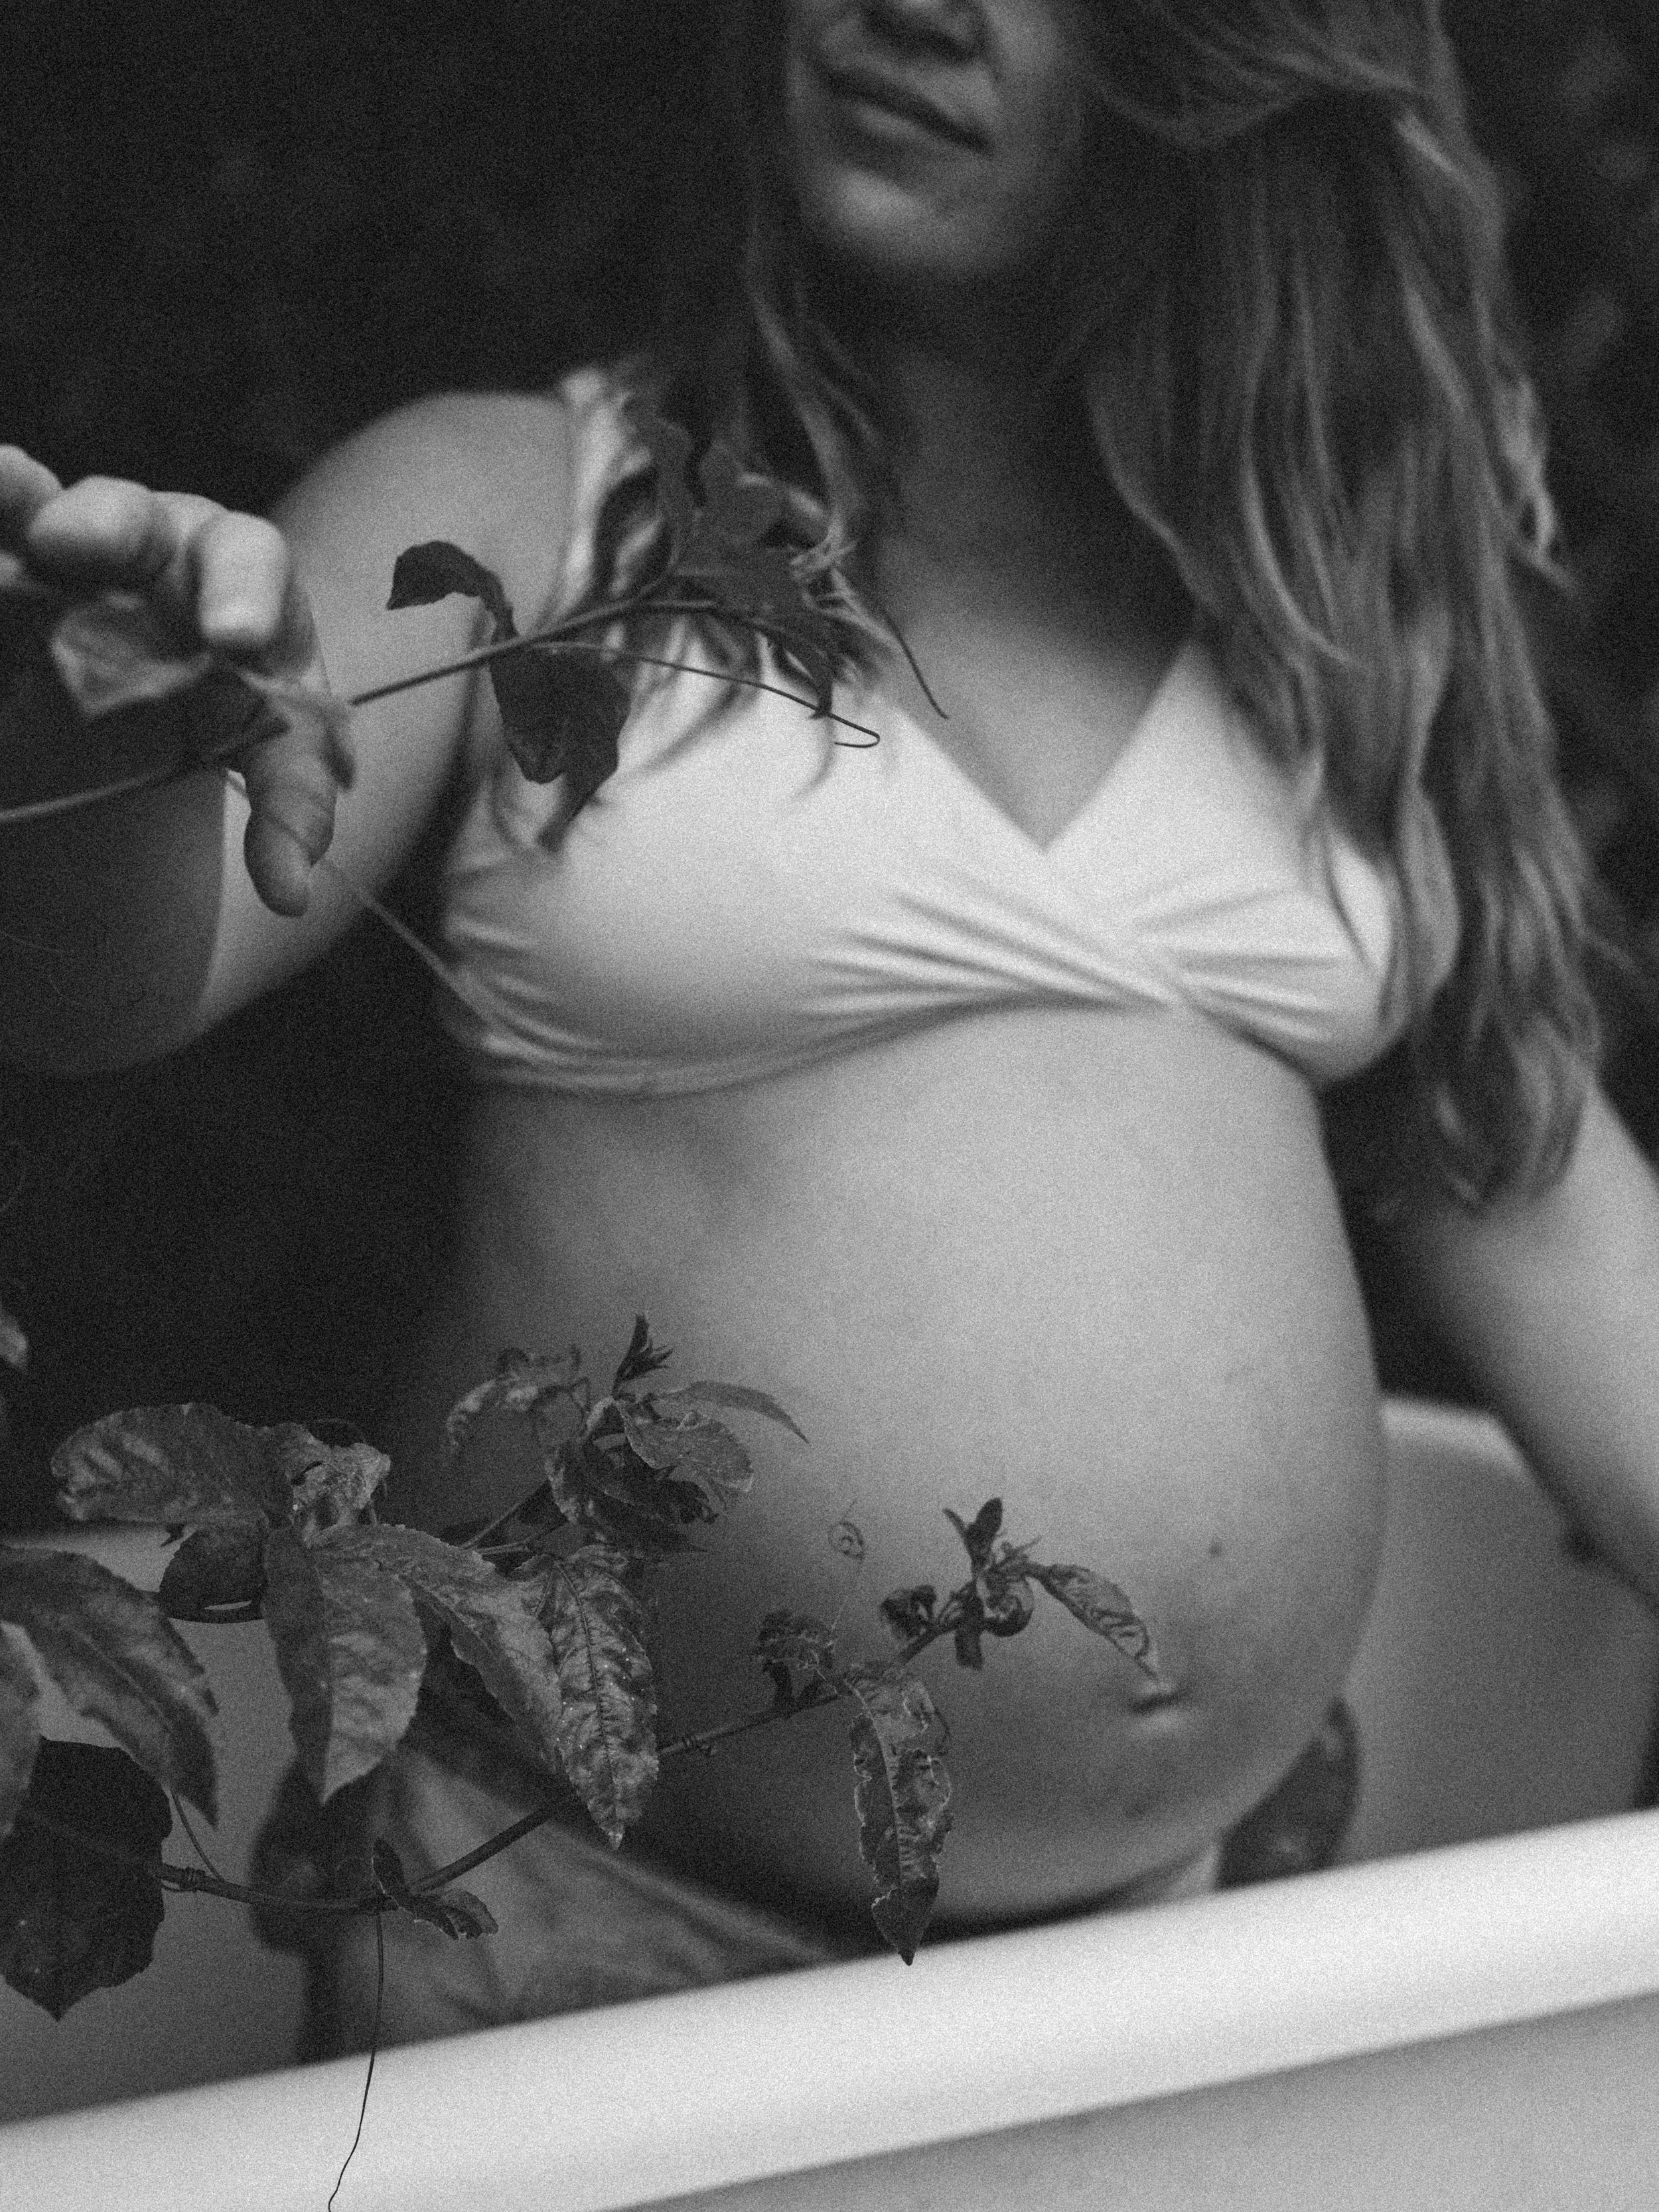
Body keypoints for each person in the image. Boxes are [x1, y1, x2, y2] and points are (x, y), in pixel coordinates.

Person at [5, 0, 1659, 2051]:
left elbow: (1589, 1276)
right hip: (588, 1950)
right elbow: (108, 980)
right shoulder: (530, 509)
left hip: (1195, 1973)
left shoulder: (1330, 644)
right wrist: (101, 719)